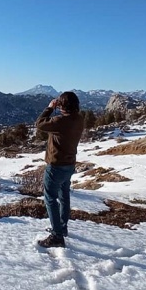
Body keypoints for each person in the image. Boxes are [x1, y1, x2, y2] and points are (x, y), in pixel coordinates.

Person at [35, 91, 84, 248]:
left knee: (50, 198)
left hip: (56, 165)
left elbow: (40, 123)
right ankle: (62, 228)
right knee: (64, 196)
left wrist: (50, 107)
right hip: (69, 164)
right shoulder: (79, 119)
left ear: (62, 106)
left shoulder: (60, 121)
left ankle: (57, 236)